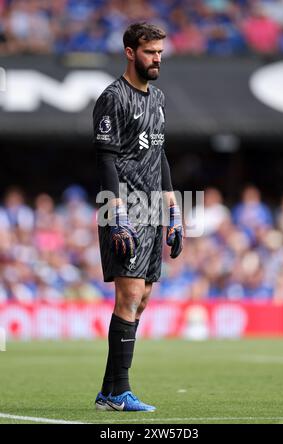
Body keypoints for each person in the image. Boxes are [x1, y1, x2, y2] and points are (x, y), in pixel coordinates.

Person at [93, 22, 183, 412]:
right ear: (130, 52)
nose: (157, 58)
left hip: (151, 208)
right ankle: (119, 394)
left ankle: (108, 391)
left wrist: (173, 209)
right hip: (124, 205)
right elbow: (106, 158)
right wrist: (116, 212)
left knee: (142, 298)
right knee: (128, 296)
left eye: (160, 52)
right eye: (150, 52)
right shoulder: (113, 98)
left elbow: (159, 154)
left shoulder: (159, 98)